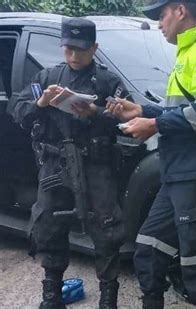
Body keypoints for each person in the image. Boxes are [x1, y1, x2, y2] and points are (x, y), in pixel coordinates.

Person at [106, 0, 196, 308]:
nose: (158, 23)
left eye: (161, 15)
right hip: (178, 173)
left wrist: (152, 123)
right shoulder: (186, 54)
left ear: (181, 10)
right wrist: (140, 110)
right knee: (147, 249)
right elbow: (180, 111)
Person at [12, 17, 128, 309]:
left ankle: (108, 297)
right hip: (55, 165)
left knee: (107, 228)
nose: (74, 56)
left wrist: (94, 113)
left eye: (81, 49)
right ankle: (52, 294)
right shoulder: (47, 77)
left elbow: (126, 121)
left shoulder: (107, 81)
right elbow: (18, 108)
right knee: (49, 225)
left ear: (94, 48)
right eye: (68, 49)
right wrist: (40, 104)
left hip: (96, 165)